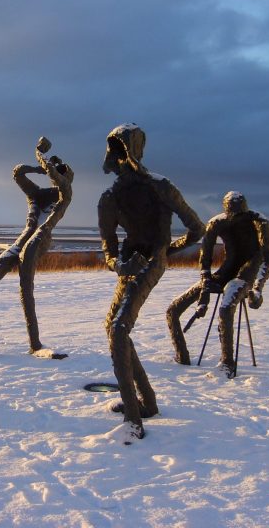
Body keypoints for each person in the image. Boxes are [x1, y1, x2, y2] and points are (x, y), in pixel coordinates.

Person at [98, 123, 205, 442]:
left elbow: (196, 228)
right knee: (113, 327)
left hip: (149, 262)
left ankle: (134, 423)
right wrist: (120, 266)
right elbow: (108, 249)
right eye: (113, 153)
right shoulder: (110, 197)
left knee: (118, 330)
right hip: (131, 265)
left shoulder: (160, 187)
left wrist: (162, 252)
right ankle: (147, 402)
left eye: (121, 152)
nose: (117, 160)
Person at [0, 137, 73, 359]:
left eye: (59, 173)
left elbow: (64, 184)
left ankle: (35, 344)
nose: (55, 175)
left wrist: (47, 163)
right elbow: (17, 172)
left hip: (39, 241)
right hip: (21, 243)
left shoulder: (65, 196)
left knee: (26, 292)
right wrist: (39, 166)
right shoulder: (36, 194)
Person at [166, 191, 269, 377]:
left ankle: (227, 364)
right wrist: (205, 282)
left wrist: (257, 287)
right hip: (223, 274)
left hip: (245, 275)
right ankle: (182, 357)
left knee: (225, 309)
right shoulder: (217, 223)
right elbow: (205, 256)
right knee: (173, 310)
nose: (236, 216)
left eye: (239, 212)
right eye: (232, 212)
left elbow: (267, 259)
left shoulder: (259, 222)